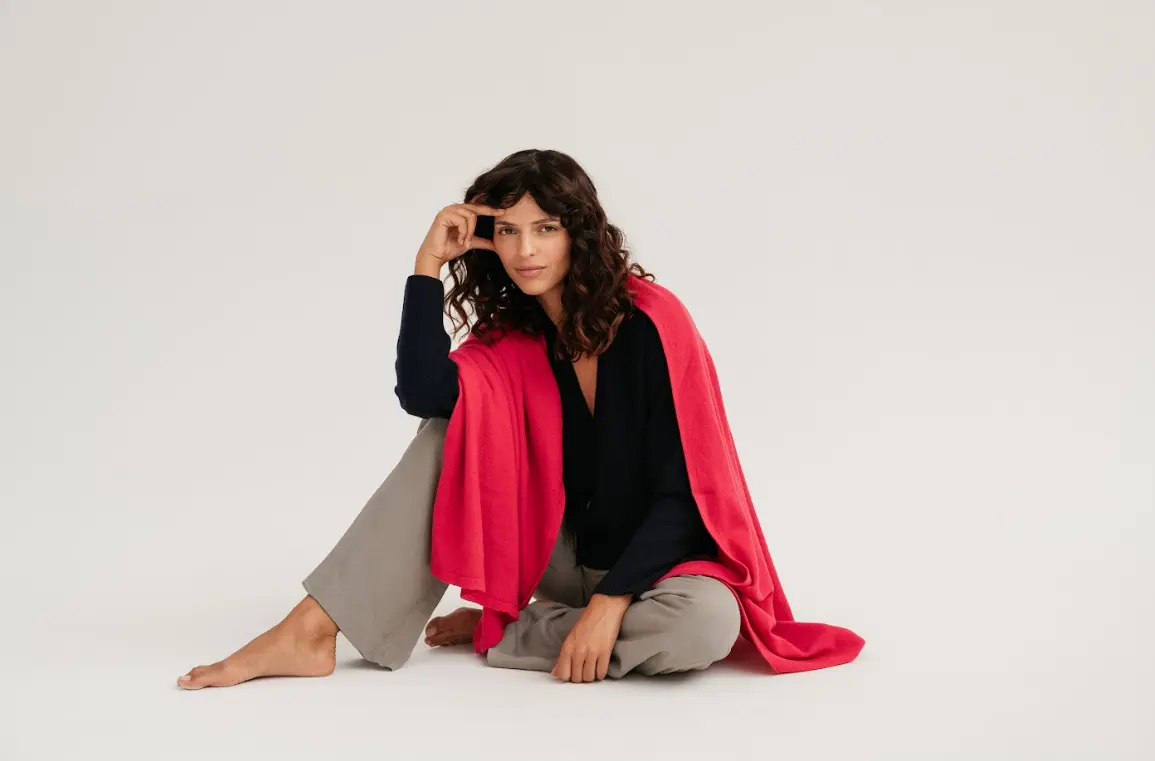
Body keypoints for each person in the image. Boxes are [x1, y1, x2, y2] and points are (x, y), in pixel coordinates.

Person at [176, 148, 749, 690]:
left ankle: (505, 629)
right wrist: (427, 265)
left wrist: (611, 602)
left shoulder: (652, 325)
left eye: (545, 227)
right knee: (452, 427)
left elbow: (687, 494)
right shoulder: (515, 339)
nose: (526, 249)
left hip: (651, 571)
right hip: (551, 556)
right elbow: (424, 392)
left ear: (579, 232)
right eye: (508, 230)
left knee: (707, 624)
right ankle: (311, 628)